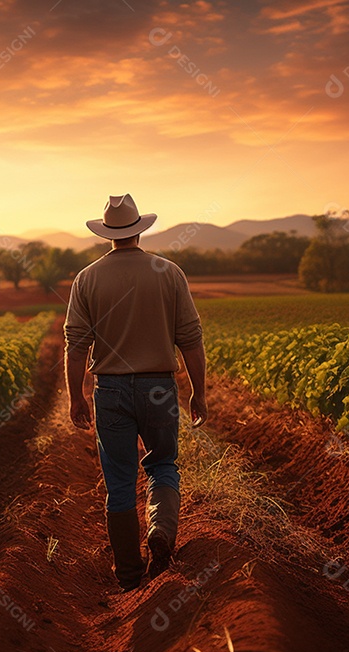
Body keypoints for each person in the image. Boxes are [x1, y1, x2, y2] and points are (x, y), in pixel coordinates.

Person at [64, 193, 207, 592]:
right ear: (139, 230)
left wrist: (76, 396)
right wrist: (199, 393)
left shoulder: (87, 278)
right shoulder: (170, 273)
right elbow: (191, 340)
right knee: (162, 465)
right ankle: (160, 530)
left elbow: (75, 344)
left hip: (109, 391)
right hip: (159, 386)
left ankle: (128, 575)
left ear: (107, 233)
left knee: (120, 481)